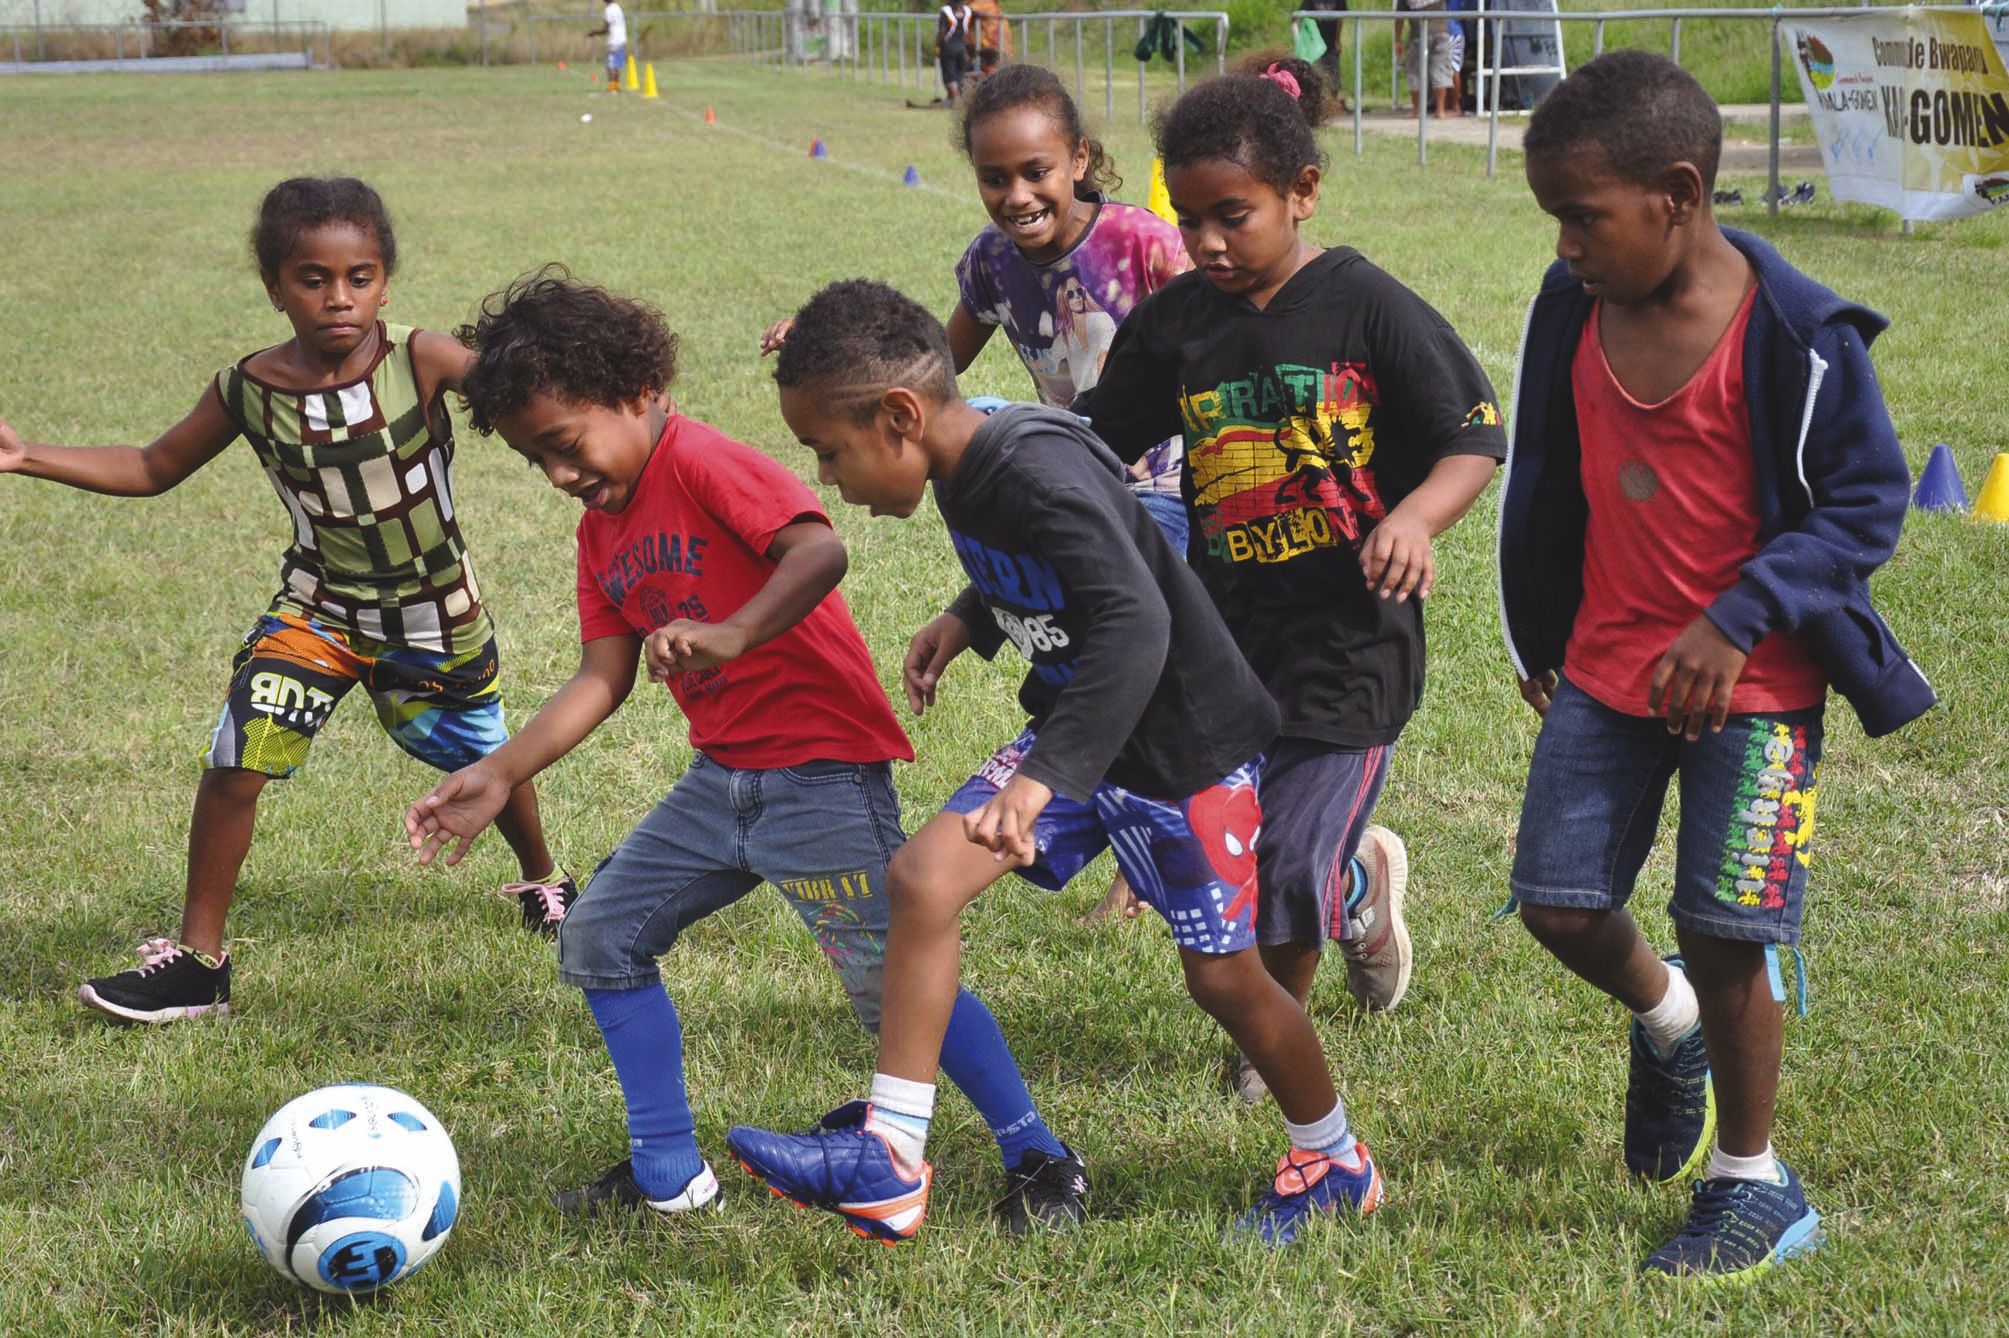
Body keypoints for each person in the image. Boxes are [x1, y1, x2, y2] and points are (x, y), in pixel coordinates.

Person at [405, 271, 1081, 1233]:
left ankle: (1038, 1154)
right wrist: (499, 770)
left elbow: (818, 551)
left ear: (638, 391)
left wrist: (733, 632)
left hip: (820, 776)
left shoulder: (702, 462)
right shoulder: (600, 534)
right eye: (534, 459)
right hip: (719, 784)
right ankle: (668, 1172)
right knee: (600, 936)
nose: (558, 474)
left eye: (565, 443)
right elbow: (603, 675)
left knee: (889, 983)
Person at [726, 278, 1385, 1247]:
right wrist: (971, 616)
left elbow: (1134, 617)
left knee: (1225, 981)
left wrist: (1044, 779)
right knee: (920, 879)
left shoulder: (1028, 467)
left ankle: (1334, 1161)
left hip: (1180, 752)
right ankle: (889, 1158)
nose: (826, 477)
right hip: (1085, 732)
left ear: (900, 415)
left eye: (827, 450)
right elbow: (1064, 563)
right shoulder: (968, 457)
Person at [1505, 51, 1933, 1281]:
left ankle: (1753, 1180)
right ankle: (1667, 1016)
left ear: (1678, 196)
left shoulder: (1797, 335)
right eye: (1554, 221)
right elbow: (1545, 478)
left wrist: (1736, 617)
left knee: (1726, 924)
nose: (1565, 245)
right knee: (1556, 902)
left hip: (1755, 690)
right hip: (1603, 670)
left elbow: (1864, 503)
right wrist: (1539, 633)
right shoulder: (1568, 307)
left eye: (1582, 217)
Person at [0, 177, 573, 1025]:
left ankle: (543, 880)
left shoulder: (422, 358)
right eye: (313, 279)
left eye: (360, 277)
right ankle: (199, 967)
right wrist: (27, 456)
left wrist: (608, 434)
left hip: (432, 616)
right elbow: (153, 467)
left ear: (384, 282)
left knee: (483, 755)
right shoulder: (247, 389)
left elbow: (531, 403)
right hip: (318, 611)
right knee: (236, 762)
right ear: (275, 287)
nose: (339, 298)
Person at [1071, 58, 1505, 1102]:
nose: (1208, 243)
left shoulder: (1366, 305)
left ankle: (1267, 1053)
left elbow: (1473, 435)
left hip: (1352, 643)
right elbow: (1084, 458)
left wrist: (1413, 516)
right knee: (1225, 850)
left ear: (1301, 192)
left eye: (1233, 216)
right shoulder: (1176, 324)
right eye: (1190, 221)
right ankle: (1359, 888)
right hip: (1224, 645)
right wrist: (978, 596)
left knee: (1285, 866)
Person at [766, 63, 1191, 928]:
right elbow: (932, 370)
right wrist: (835, 359)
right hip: (1066, 476)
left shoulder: (1141, 245)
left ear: (1078, 160)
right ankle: (1144, 837)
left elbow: (1212, 337)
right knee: (1081, 642)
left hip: (1161, 482)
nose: (1016, 195)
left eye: (1036, 172)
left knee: (1123, 649)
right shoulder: (992, 263)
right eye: (994, 177)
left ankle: (1151, 849)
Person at [1396, 0, 1455, 119]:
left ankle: (1417, 109)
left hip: (1418, 34)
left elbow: (1400, 16)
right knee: (1440, 69)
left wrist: (1397, 38)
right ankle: (1440, 109)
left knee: (1414, 71)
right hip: (1441, 31)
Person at [935, 0, 975, 106]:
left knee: (949, 75)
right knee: (960, 74)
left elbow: (943, 31)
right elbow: (970, 30)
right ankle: (954, 98)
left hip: (948, 47)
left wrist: (938, 45)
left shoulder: (946, 11)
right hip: (962, 47)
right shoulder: (967, 10)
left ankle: (956, 99)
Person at [588, 0, 627, 94]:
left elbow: (606, 29)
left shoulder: (609, 10)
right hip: (621, 40)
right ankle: (616, 87)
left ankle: (612, 88)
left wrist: (594, 32)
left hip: (613, 41)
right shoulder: (617, 7)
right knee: (616, 65)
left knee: (611, 65)